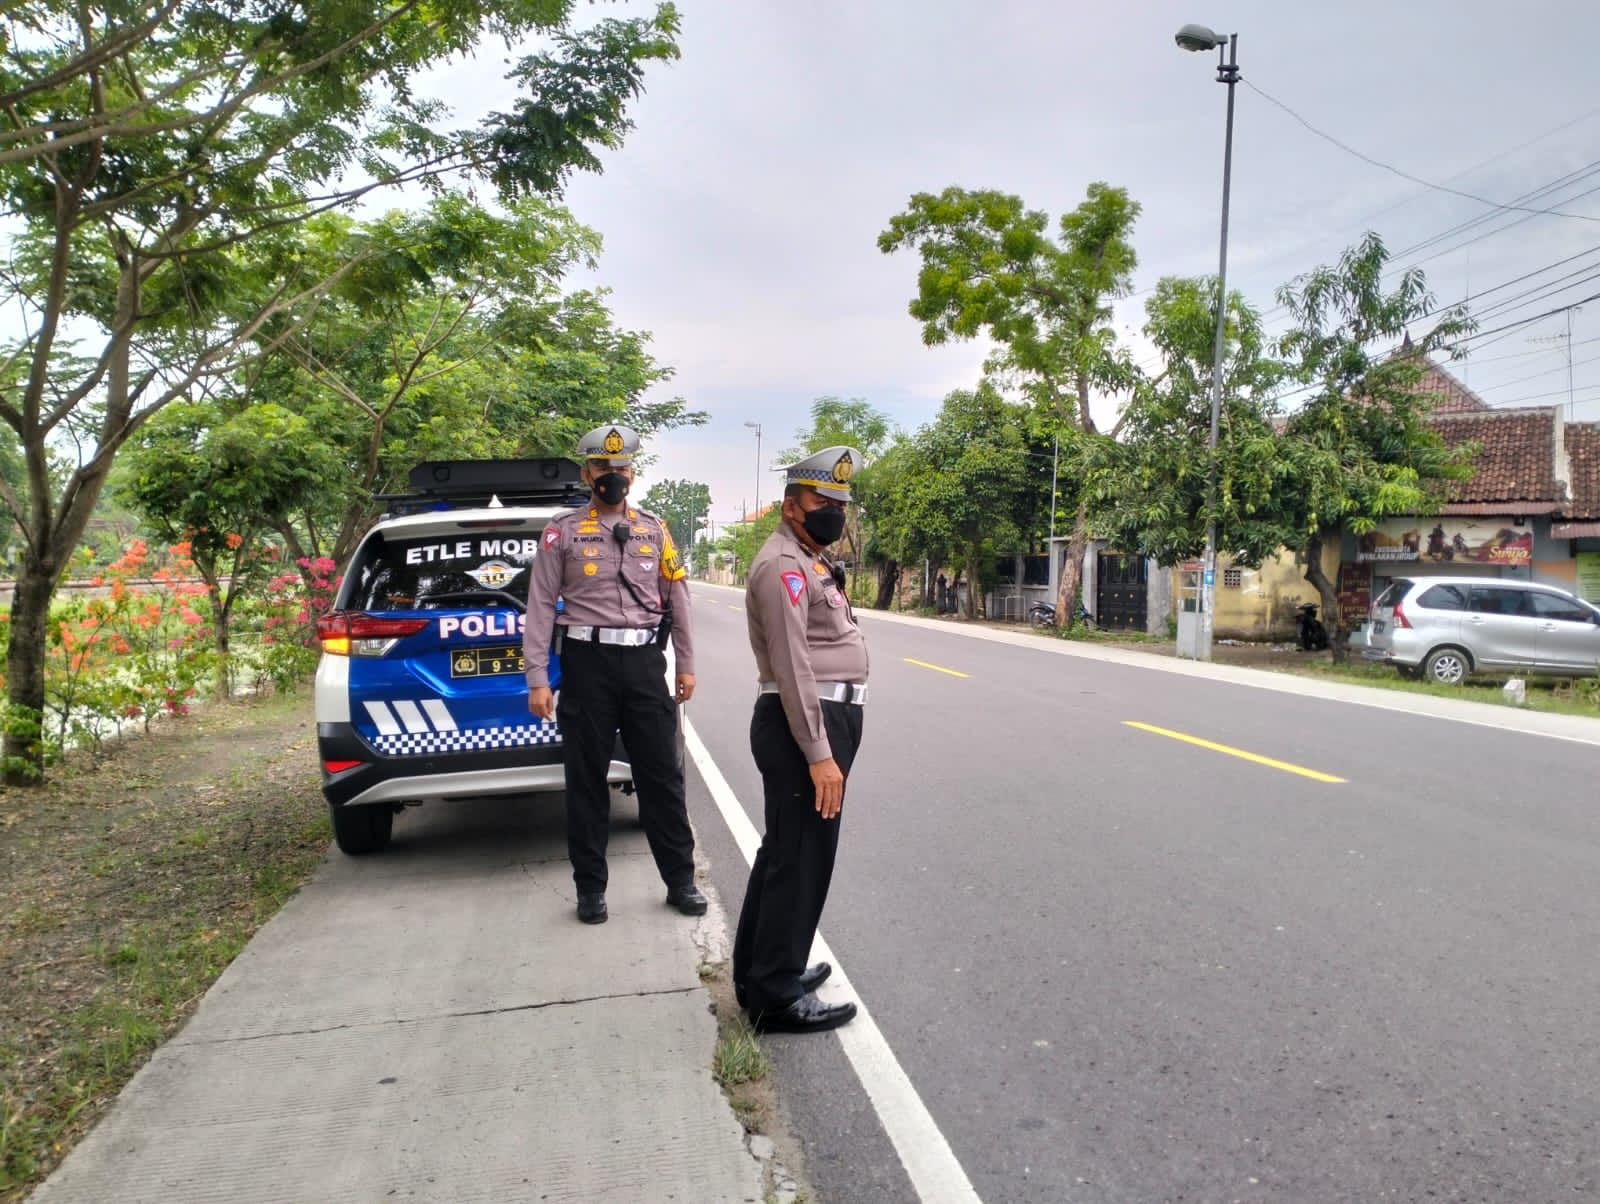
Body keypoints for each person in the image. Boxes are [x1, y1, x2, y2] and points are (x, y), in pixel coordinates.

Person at [522, 424, 706, 925]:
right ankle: (590, 890)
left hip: (645, 664)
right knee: (586, 781)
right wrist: (538, 677)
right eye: (604, 468)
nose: (613, 476)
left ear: (633, 473)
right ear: (587, 473)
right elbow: (540, 605)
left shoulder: (656, 529)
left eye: (621, 468)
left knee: (662, 777)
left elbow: (678, 599)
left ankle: (681, 881)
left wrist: (685, 663)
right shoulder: (562, 531)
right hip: (587, 664)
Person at [733, 446, 868, 1034]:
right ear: (791, 507)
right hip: (804, 726)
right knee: (801, 856)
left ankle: (761, 971)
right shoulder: (783, 566)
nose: (833, 512)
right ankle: (776, 994)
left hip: (818, 720)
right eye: (822, 501)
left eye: (840, 502)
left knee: (787, 851)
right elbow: (791, 666)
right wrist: (820, 754)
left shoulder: (809, 560)